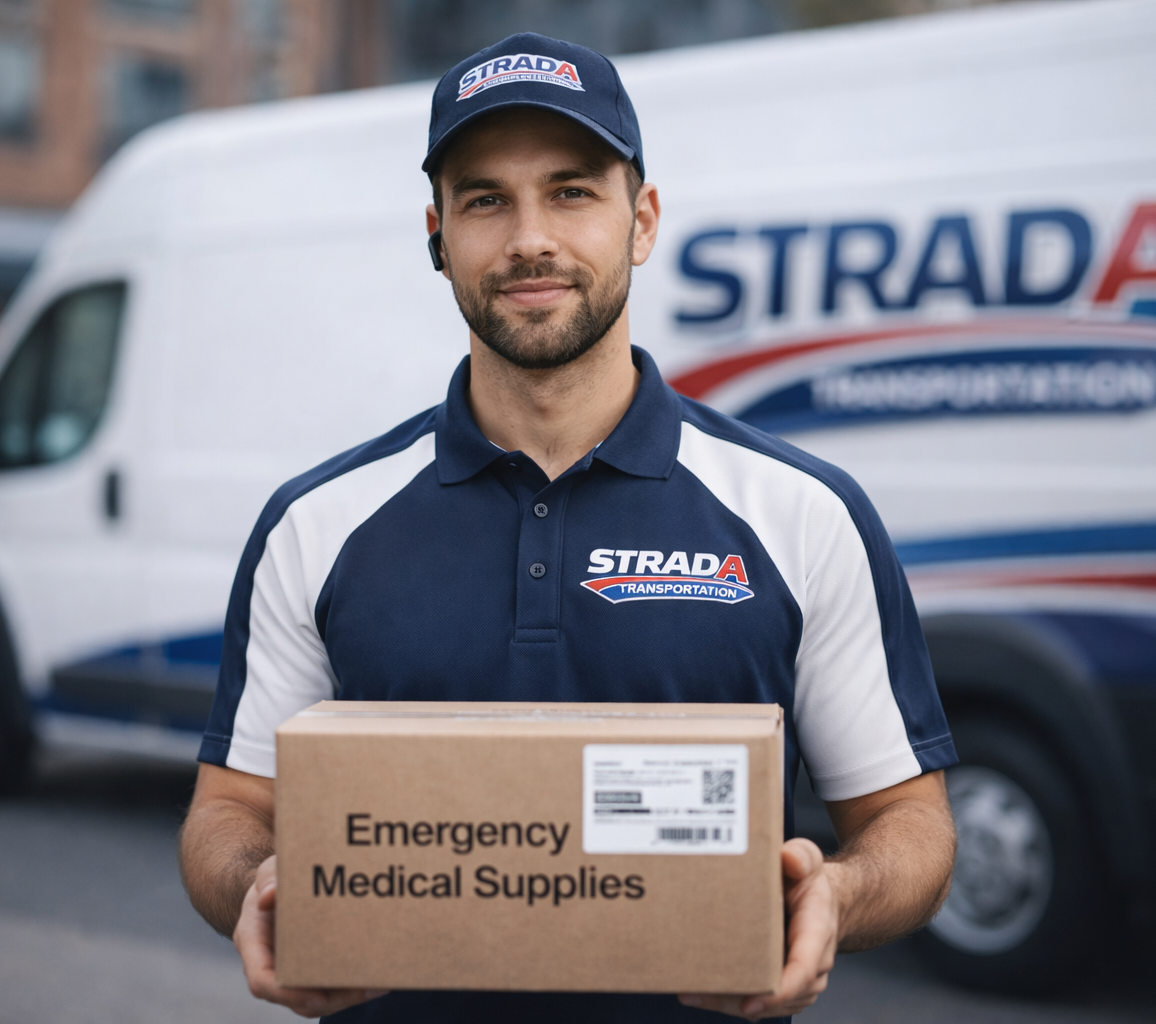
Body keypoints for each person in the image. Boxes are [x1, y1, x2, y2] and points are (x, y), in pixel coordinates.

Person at [179, 33, 957, 1023]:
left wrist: (838, 895)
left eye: (572, 190)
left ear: (644, 219)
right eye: (485, 198)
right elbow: (227, 813)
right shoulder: (315, 525)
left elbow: (911, 824)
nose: (528, 238)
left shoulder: (805, 514)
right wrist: (256, 886)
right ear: (437, 234)